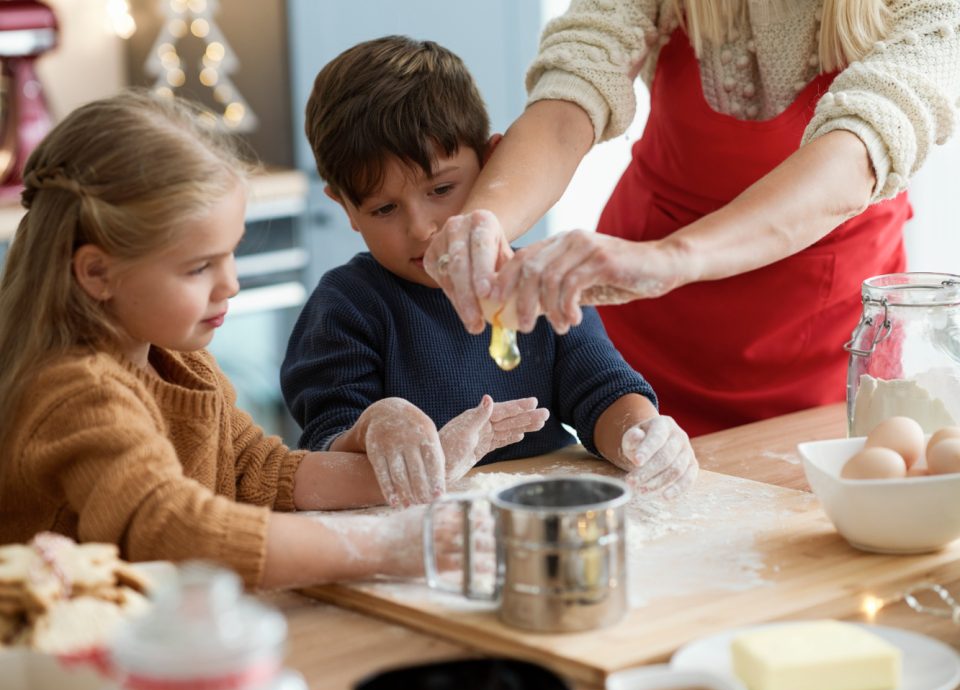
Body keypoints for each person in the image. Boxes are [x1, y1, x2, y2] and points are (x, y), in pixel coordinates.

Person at [0, 90, 513, 590]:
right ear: (97, 273)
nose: (230, 284)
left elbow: (254, 472)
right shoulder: (76, 393)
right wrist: (387, 546)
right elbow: (173, 529)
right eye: (199, 267)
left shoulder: (177, 358)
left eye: (230, 255)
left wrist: (423, 470)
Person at [424, 0, 960, 436]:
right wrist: (483, 219)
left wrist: (670, 258)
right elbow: (574, 86)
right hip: (643, 348)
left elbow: (856, 155)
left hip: (820, 352)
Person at [281, 35, 698, 497]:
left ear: (493, 162)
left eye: (440, 190)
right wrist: (372, 429)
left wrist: (641, 436)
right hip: (414, 535)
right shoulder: (345, 306)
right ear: (345, 208)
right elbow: (325, 447)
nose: (421, 228)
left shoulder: (535, 281)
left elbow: (602, 391)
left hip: (541, 513)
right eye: (384, 209)